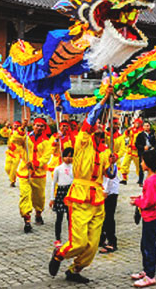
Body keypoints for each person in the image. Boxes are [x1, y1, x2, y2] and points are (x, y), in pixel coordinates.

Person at [49, 87, 115, 283]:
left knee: (93, 245)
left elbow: (109, 175)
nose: (100, 126)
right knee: (79, 242)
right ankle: (59, 254)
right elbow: (90, 120)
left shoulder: (105, 150)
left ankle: (75, 270)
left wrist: (112, 164)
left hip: (97, 196)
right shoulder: (82, 141)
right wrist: (103, 100)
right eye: (97, 125)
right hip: (80, 193)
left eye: (102, 125)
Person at [130, 149, 156, 288]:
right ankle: (146, 270)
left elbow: (149, 202)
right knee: (145, 244)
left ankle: (150, 275)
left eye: (143, 161)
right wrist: (139, 198)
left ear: (148, 164)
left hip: (151, 217)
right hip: (149, 216)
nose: (141, 163)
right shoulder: (151, 179)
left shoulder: (151, 181)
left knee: (149, 245)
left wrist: (137, 202)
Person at [18, 118, 53, 232]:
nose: (39, 128)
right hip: (25, 172)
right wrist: (22, 127)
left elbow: (46, 157)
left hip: (38, 174)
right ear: (33, 126)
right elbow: (14, 140)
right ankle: (27, 219)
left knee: (39, 197)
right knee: (25, 195)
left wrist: (34, 164)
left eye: (42, 126)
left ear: (44, 128)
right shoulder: (25, 137)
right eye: (37, 125)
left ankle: (38, 213)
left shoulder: (47, 141)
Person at [50, 147, 74, 248]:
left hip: (71, 192)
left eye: (70, 156)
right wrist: (52, 198)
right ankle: (58, 238)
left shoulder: (75, 168)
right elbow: (53, 183)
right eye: (66, 156)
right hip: (60, 193)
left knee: (71, 218)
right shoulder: (58, 169)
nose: (68, 158)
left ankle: (71, 238)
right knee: (59, 217)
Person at [99, 161, 119, 253]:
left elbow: (109, 174)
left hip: (110, 192)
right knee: (101, 216)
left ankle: (112, 242)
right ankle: (101, 239)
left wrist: (106, 190)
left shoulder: (107, 155)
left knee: (108, 217)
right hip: (102, 189)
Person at [134, 122, 156, 187]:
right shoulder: (140, 135)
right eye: (145, 126)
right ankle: (140, 181)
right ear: (143, 127)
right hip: (143, 152)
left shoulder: (153, 134)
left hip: (151, 151)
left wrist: (154, 148)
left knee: (152, 167)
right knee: (141, 167)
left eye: (148, 126)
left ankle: (152, 180)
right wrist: (143, 147)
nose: (147, 127)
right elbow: (136, 144)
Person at [121, 119, 143, 185]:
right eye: (135, 123)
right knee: (125, 164)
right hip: (129, 151)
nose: (136, 124)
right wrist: (127, 130)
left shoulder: (141, 132)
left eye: (137, 123)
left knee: (138, 167)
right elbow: (125, 136)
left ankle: (140, 179)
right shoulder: (131, 129)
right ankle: (124, 179)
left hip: (136, 151)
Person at [0, 122, 21, 187]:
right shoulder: (10, 131)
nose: (16, 127)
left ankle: (12, 181)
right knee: (7, 168)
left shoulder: (21, 133)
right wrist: (6, 126)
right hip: (9, 153)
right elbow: (2, 133)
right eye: (15, 125)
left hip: (17, 154)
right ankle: (12, 178)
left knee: (13, 169)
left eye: (18, 126)